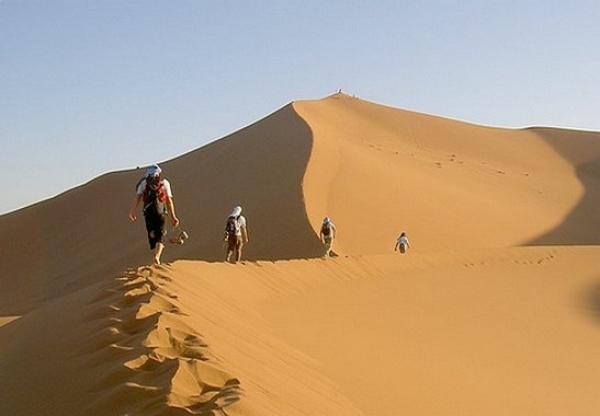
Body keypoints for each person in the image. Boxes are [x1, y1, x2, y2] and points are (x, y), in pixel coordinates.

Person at [129, 164, 179, 265]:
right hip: (161, 213)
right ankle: (157, 256)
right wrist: (173, 216)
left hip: (148, 213)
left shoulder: (143, 183)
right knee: (161, 235)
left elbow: (138, 197)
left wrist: (132, 211)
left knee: (151, 235)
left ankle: (155, 257)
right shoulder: (164, 183)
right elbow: (169, 201)